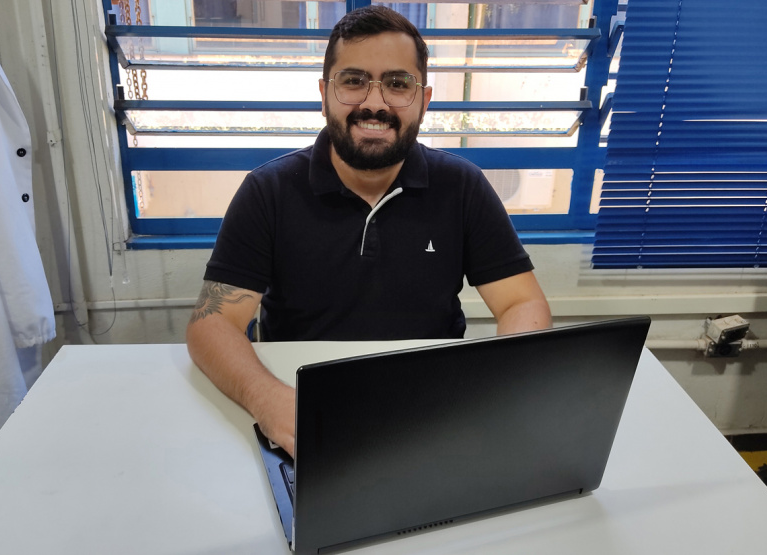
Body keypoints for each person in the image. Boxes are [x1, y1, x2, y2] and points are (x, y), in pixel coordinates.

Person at [186, 6, 552, 458]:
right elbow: (212, 322)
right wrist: (270, 399)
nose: (374, 103)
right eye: (354, 80)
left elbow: (522, 302)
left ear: (424, 99)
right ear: (324, 94)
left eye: (398, 84)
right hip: (303, 407)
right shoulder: (269, 191)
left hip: (431, 412)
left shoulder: (462, 187)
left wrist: (497, 386)